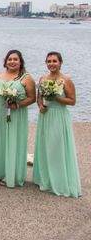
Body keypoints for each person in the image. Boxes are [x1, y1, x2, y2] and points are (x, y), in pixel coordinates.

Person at [33, 52, 81, 197]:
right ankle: (45, 178)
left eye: (54, 61)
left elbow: (72, 101)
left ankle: (60, 180)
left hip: (59, 116)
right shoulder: (42, 79)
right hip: (45, 116)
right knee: (45, 146)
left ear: (60, 62)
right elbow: (38, 97)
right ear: (46, 63)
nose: (51, 63)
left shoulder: (66, 80)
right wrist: (40, 105)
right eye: (49, 61)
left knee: (57, 147)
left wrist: (56, 98)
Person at [0, 50, 36, 188]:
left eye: (15, 59)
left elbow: (32, 98)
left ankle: (12, 174)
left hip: (15, 113)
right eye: (9, 59)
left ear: (20, 61)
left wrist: (17, 104)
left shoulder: (26, 77)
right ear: (5, 61)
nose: (12, 61)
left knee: (12, 140)